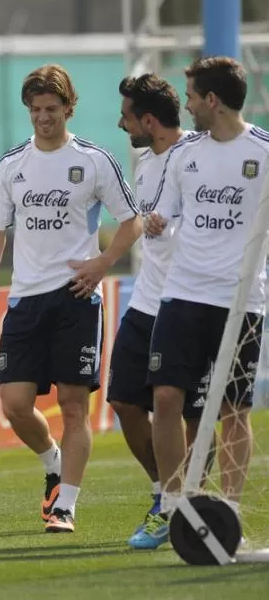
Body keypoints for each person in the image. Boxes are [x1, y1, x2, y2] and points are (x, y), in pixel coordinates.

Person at [0, 64, 142, 533]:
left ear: (69, 108)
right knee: (14, 405)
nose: (43, 118)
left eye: (51, 109)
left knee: (72, 405)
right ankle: (53, 460)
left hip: (76, 297)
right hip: (25, 301)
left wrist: (102, 263)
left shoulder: (93, 160)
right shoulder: (11, 165)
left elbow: (132, 221)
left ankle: (65, 504)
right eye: (35, 110)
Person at [146, 56, 269, 524]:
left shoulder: (263, 150)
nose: (189, 104)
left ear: (212, 100)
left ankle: (229, 509)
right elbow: (164, 214)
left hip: (241, 301)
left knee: (234, 409)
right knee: (164, 398)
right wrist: (157, 223)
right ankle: (175, 506)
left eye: (193, 96)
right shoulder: (184, 153)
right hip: (183, 293)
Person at [109, 73, 201, 550]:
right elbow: (144, 223)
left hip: (189, 301)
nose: (121, 124)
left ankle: (179, 506)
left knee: (185, 411)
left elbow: (215, 228)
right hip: (146, 301)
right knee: (124, 401)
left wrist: (170, 228)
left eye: (126, 116)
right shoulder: (145, 164)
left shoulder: (199, 156)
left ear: (147, 119)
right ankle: (164, 489)